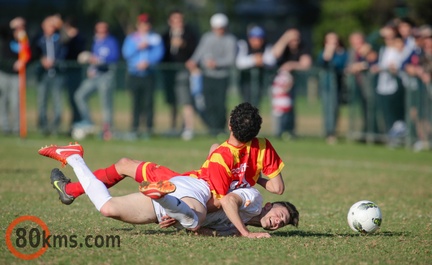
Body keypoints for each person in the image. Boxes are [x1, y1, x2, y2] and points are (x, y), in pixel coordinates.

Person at [42, 103, 286, 237]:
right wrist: (250, 177)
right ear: (256, 132)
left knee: (121, 176)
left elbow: (219, 192)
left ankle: (71, 185)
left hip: (187, 184)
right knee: (125, 165)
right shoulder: (262, 147)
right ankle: (72, 189)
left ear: (230, 125)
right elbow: (277, 187)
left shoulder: (221, 155)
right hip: (189, 187)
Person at [38, 144, 298, 238]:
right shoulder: (252, 199)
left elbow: (205, 227)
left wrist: (186, 223)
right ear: (268, 206)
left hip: (182, 199)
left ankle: (71, 174)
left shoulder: (234, 227)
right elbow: (224, 199)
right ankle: (169, 199)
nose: (278, 222)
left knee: (111, 199)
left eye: (281, 224)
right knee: (126, 166)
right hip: (185, 185)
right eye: (280, 215)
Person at [185, 13, 237, 136]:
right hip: (207, 76)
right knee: (208, 104)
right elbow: (199, 53)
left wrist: (217, 64)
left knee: (220, 104)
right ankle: (212, 128)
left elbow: (231, 59)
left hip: (222, 77)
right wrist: (193, 61)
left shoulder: (230, 40)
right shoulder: (207, 38)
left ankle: (219, 128)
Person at [73, 22, 120, 141]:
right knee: (79, 95)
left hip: (106, 76)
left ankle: (107, 130)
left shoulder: (111, 42)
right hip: (94, 76)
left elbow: (113, 57)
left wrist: (97, 61)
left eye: (103, 30)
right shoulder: (94, 42)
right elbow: (90, 57)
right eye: (98, 30)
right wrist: (90, 66)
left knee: (105, 104)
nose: (101, 32)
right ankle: (88, 122)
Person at [122, 13, 164, 139]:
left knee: (149, 103)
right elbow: (126, 53)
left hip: (149, 75)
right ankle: (134, 129)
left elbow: (159, 53)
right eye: (142, 24)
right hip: (134, 74)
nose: (145, 26)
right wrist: (138, 48)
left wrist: (148, 62)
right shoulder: (131, 39)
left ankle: (149, 130)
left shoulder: (155, 38)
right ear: (138, 25)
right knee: (136, 103)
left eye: (147, 24)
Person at [161, 9, 199, 140]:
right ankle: (173, 128)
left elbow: (195, 52)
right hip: (169, 73)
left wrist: (183, 45)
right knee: (172, 101)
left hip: (183, 72)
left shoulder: (190, 35)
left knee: (186, 100)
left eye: (180, 20)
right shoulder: (165, 36)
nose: (177, 23)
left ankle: (188, 128)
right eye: (174, 20)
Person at [270, 28, 312, 139]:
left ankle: (289, 131)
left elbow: (306, 63)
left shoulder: (303, 47)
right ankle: (278, 131)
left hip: (293, 84)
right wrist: (285, 38)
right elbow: (274, 54)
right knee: (278, 108)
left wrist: (291, 65)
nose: (294, 42)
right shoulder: (284, 47)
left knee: (290, 108)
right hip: (278, 85)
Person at [34, 15, 67, 135]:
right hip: (43, 75)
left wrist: (61, 24)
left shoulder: (59, 38)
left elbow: (66, 38)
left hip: (56, 74)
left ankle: (55, 128)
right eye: (49, 25)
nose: (51, 28)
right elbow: (34, 51)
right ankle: (43, 127)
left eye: (54, 26)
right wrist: (42, 60)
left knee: (57, 102)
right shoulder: (39, 39)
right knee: (42, 101)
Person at [0, 17, 31, 135]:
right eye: (16, 27)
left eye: (21, 26)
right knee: (3, 100)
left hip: (17, 75)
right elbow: (2, 30)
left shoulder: (25, 40)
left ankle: (18, 127)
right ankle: (5, 127)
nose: (19, 29)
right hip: (4, 72)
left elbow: (30, 54)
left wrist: (22, 63)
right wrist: (11, 24)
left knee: (16, 101)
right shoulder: (6, 36)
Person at [317, 32, 348, 144]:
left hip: (337, 86)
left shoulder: (342, 53)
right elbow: (323, 61)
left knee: (334, 109)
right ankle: (329, 132)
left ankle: (333, 131)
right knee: (327, 108)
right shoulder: (323, 52)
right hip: (327, 85)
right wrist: (329, 50)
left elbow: (338, 65)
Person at [345, 31, 378, 138]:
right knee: (363, 110)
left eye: (359, 40)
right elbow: (348, 66)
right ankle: (365, 132)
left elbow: (373, 62)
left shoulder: (369, 50)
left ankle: (373, 133)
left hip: (370, 85)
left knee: (372, 109)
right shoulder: (351, 52)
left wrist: (362, 64)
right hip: (357, 86)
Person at [236, 25, 276, 108]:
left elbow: (271, 61)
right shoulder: (243, 44)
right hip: (246, 81)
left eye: (260, 39)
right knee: (245, 104)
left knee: (257, 105)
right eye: (254, 39)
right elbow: (239, 62)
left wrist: (261, 60)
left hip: (260, 82)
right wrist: (254, 60)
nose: (257, 42)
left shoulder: (267, 46)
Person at [61, 16, 86, 134]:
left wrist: (72, 37)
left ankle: (76, 123)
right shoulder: (65, 38)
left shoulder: (78, 38)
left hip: (74, 73)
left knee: (74, 99)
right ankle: (73, 124)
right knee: (70, 100)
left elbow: (77, 50)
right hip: (66, 72)